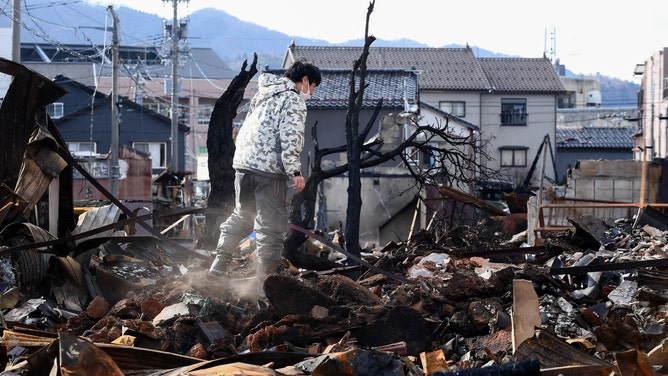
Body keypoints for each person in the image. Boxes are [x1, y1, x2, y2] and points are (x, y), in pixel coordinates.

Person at [209, 61, 321, 289]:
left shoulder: (263, 95)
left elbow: (246, 128)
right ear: (305, 81)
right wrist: (295, 172)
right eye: (313, 87)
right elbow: (290, 137)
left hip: (243, 166)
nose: (311, 93)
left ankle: (217, 268)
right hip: (268, 172)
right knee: (271, 226)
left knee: (242, 216)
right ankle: (264, 284)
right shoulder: (293, 100)